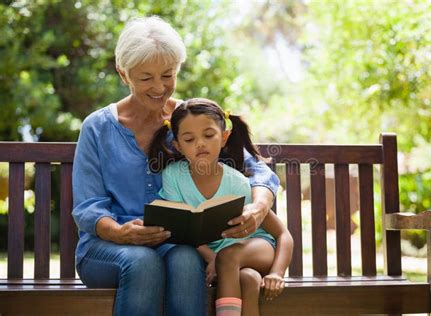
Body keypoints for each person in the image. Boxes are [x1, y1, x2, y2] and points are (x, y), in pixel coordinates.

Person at [72, 16, 280, 316]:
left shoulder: (188, 120)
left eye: (168, 75)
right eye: (146, 78)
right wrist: (121, 232)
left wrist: (258, 208)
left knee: (185, 260)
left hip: (174, 244)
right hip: (106, 248)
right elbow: (88, 208)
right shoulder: (97, 127)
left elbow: (258, 170)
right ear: (123, 74)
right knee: (143, 262)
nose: (159, 88)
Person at [148, 98, 293, 316]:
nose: (200, 144)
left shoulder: (237, 182)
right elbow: (183, 228)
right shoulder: (173, 176)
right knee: (249, 279)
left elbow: (283, 234)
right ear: (177, 145)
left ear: (224, 137)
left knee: (228, 257)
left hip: (257, 248)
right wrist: (210, 257)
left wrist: (277, 273)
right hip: (227, 263)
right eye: (189, 139)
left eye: (208, 135)